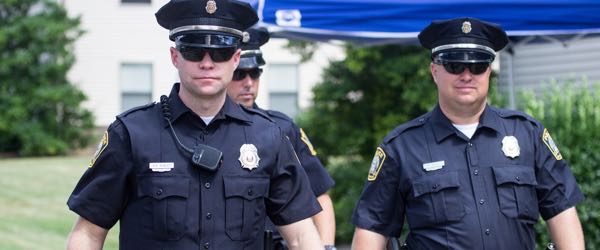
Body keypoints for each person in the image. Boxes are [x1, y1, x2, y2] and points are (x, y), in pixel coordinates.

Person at [65, 0, 324, 249]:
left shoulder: (268, 136)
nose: (207, 63)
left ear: (235, 58)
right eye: (194, 50)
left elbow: (302, 235)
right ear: (175, 56)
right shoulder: (131, 133)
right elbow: (88, 233)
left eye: (220, 51)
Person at [351, 17, 585, 250]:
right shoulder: (401, 147)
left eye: (477, 65)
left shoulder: (527, 134)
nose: (466, 75)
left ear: (488, 71)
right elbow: (372, 230)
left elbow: (562, 211)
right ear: (434, 71)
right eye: (454, 65)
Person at [227, 27, 337, 250]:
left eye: (255, 73)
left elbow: (320, 196)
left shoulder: (281, 128)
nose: (248, 82)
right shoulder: (203, 128)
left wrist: (327, 247)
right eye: (240, 74)